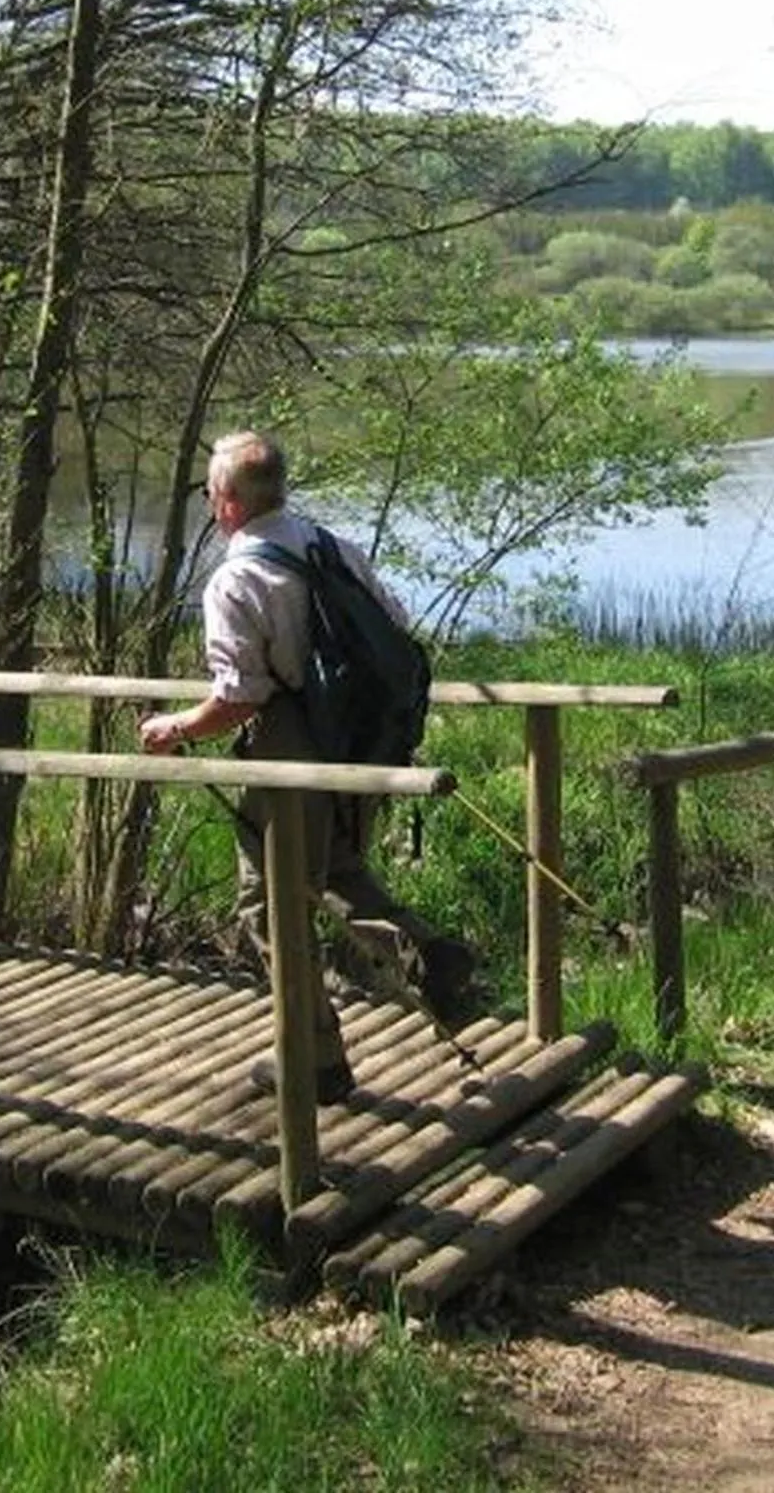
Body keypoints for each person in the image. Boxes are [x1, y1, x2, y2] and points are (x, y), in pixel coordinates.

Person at [139, 430, 477, 1104]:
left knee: (268, 902)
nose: (209, 501)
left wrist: (176, 726)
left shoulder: (235, 578)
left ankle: (314, 1057)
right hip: (359, 741)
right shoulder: (328, 544)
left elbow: (241, 696)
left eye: (211, 491)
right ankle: (428, 950)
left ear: (227, 502)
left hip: (293, 746)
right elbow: (397, 619)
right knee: (338, 872)